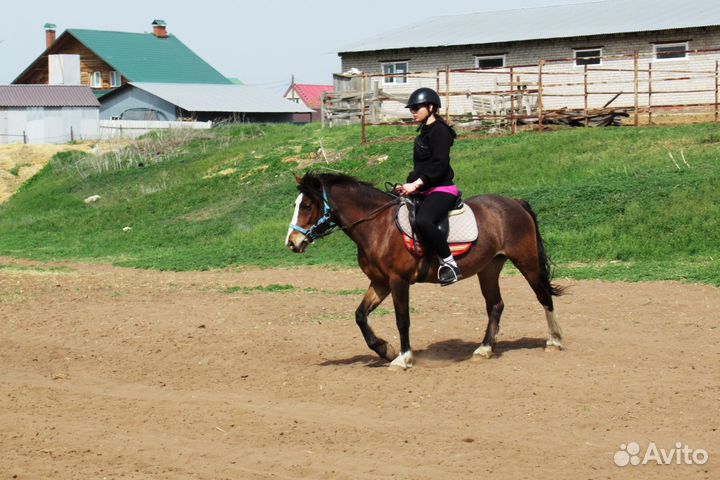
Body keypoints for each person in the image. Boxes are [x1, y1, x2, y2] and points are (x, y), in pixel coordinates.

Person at [395, 87, 461, 286]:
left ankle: (450, 264)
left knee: (424, 220)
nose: (413, 112)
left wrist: (416, 184)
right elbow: (422, 166)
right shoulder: (425, 131)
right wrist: (407, 183)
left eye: (416, 108)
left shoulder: (440, 131)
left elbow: (439, 165)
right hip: (425, 189)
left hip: (442, 189)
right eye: (411, 109)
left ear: (431, 107)